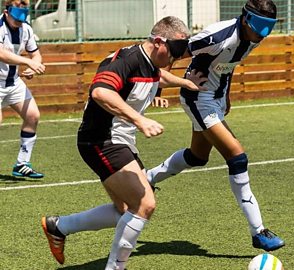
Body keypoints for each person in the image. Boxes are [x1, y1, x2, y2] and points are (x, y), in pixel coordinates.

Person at [41, 16, 206, 270]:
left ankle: (58, 226)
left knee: (125, 209)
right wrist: (140, 120)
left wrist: (185, 82)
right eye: (174, 50)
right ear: (159, 41)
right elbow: (100, 92)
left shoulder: (151, 62)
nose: (177, 57)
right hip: (101, 139)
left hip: (119, 140)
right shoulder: (125, 60)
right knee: (145, 204)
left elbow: (158, 76)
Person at [148, 0, 285, 252]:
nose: (263, 34)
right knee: (237, 157)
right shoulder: (217, 36)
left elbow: (226, 67)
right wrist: (161, 85)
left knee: (197, 157)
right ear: (246, 19)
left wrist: (226, 96)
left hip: (215, 99)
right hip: (198, 98)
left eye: (270, 27)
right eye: (260, 26)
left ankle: (149, 177)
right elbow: (172, 51)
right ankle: (258, 232)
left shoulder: (253, 37)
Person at [0, 0, 46, 178]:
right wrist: (27, 61)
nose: (19, 22)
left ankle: (22, 164)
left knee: (32, 116)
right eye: (16, 18)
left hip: (13, 82)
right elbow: (2, 54)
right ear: (6, 12)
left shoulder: (26, 28)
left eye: (22, 18)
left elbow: (35, 54)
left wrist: (34, 65)